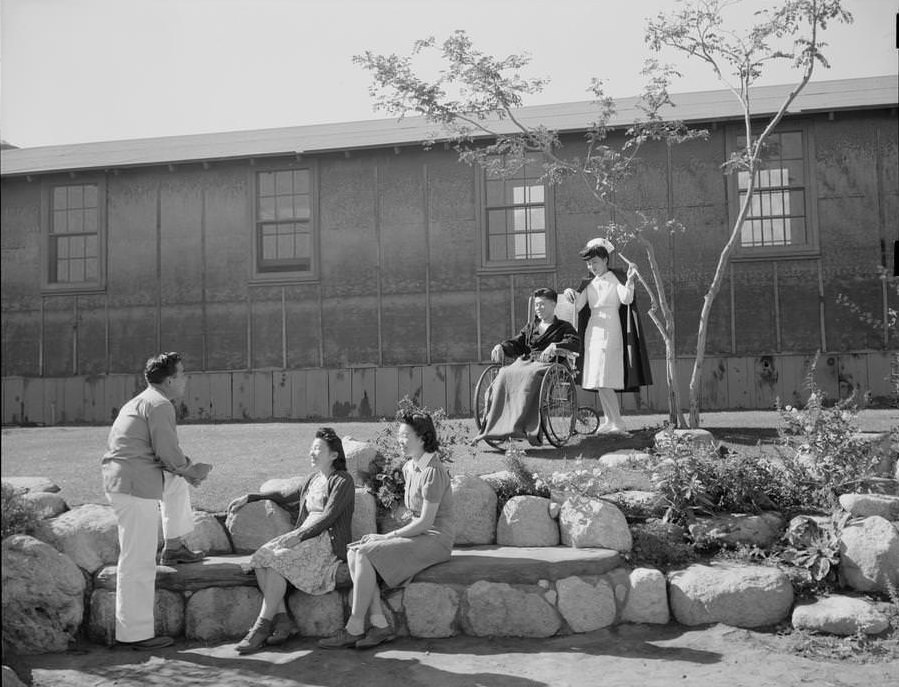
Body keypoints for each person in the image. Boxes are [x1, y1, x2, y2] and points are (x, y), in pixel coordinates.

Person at [101, 352, 213, 650]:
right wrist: (191, 470)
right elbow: (167, 451)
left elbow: (165, 458)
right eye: (183, 374)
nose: (186, 379)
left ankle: (174, 546)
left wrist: (185, 472)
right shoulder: (160, 404)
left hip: (130, 479)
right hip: (133, 486)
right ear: (170, 380)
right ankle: (134, 634)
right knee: (137, 562)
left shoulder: (145, 400)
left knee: (175, 483)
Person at [318, 411, 454, 650]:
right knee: (355, 551)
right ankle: (379, 623)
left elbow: (425, 523)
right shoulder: (410, 467)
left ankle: (355, 627)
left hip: (435, 539)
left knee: (365, 553)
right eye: (399, 436)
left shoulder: (433, 472)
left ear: (422, 438)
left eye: (405, 436)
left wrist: (386, 537)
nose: (400, 441)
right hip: (418, 535)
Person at [229, 427, 355, 654]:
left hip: (325, 540)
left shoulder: (343, 480)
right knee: (261, 558)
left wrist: (299, 537)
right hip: (304, 537)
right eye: (311, 448)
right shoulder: (313, 480)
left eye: (318, 449)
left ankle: (260, 627)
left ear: (334, 455)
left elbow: (329, 517)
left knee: (277, 561)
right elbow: (283, 495)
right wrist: (251, 497)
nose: (312, 452)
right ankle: (283, 619)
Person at [564, 238, 652, 435]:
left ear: (605, 260)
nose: (591, 266)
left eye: (594, 261)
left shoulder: (616, 278)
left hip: (611, 329)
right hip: (592, 332)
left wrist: (629, 280)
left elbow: (626, 298)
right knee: (597, 379)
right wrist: (569, 292)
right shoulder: (589, 283)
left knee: (605, 379)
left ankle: (618, 423)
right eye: (588, 263)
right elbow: (577, 306)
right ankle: (609, 420)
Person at [474, 287, 580, 445]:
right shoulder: (531, 327)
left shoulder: (564, 327)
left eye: (543, 304)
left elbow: (574, 343)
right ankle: (496, 426)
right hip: (526, 361)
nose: (539, 308)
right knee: (504, 373)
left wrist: (555, 346)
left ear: (553, 305)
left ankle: (521, 427)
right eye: (536, 305)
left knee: (529, 376)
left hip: (547, 364)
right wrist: (501, 346)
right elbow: (517, 342)